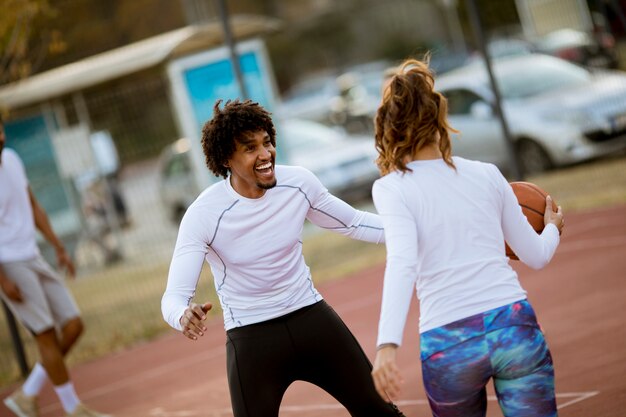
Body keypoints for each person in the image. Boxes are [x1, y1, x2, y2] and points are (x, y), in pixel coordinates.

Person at [161, 99, 405, 417]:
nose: (265, 155)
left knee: (381, 412)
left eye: (267, 143)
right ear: (226, 159)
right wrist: (182, 315)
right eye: (250, 148)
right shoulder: (204, 214)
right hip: (252, 339)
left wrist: (413, 233)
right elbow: (175, 296)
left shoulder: (298, 183)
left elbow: (355, 223)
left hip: (312, 319)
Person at [369, 59, 564, 417]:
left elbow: (402, 262)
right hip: (513, 323)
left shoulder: (391, 188)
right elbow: (536, 256)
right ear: (440, 116)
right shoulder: (488, 174)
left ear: (390, 123)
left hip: (449, 343)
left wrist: (387, 346)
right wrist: (551, 226)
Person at [0, 117, 111, 417]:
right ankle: (74, 409)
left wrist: (59, 247)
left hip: (33, 255)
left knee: (73, 324)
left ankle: (28, 394)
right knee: (46, 334)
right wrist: (2, 279)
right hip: (8, 263)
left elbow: (33, 206)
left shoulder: (11, 158)